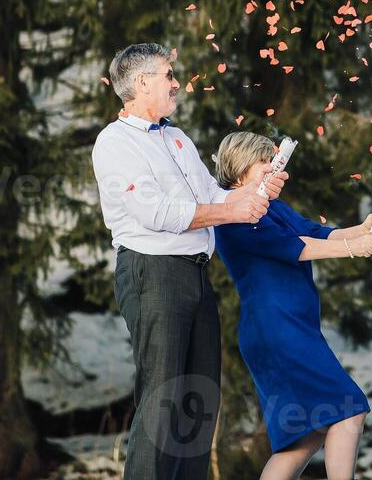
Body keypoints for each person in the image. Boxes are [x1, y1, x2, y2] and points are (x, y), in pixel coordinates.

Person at [90, 43, 285, 480]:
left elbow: (212, 198)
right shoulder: (114, 143)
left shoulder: (177, 138)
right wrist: (232, 211)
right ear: (141, 83)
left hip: (195, 273)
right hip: (151, 273)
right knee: (162, 398)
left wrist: (254, 194)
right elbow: (156, 213)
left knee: (199, 400)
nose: (176, 82)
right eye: (167, 74)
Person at [211, 131, 372, 480]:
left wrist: (362, 228)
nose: (275, 169)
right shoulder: (233, 214)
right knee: (347, 411)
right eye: (265, 162)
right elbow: (296, 247)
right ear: (240, 168)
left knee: (302, 438)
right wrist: (355, 248)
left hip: (293, 326)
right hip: (276, 329)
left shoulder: (272, 208)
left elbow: (319, 234)